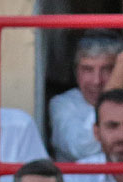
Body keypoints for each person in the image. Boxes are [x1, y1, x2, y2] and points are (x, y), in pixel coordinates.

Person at [49, 32, 121, 162]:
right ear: (76, 72)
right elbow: (80, 148)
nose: (96, 81)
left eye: (107, 69)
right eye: (88, 69)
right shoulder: (61, 104)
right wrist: (112, 87)